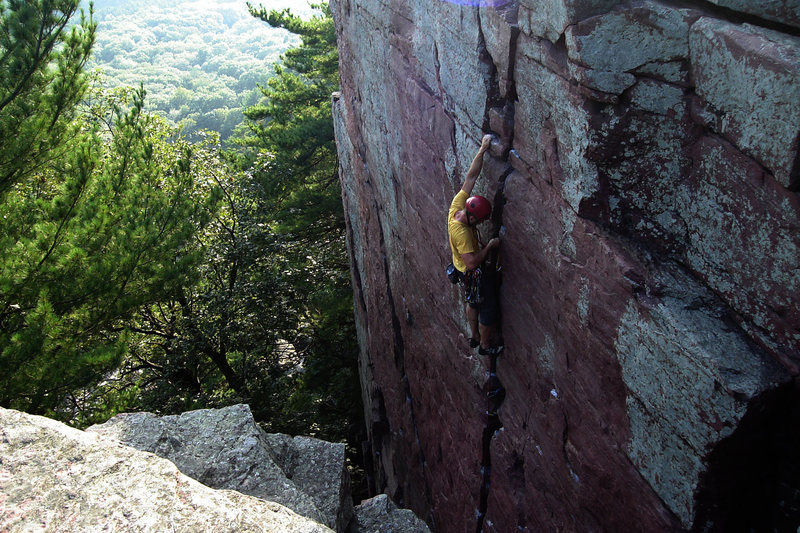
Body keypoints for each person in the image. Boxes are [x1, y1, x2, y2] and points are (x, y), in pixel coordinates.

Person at [447, 134, 501, 355]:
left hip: (460, 269)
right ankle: (485, 345)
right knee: (488, 308)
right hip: (471, 272)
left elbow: (470, 178)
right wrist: (489, 247)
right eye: (479, 220)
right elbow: (472, 263)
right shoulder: (463, 235)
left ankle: (474, 335)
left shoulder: (457, 208)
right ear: (471, 218)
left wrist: (483, 149)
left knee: (471, 300)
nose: (480, 223)